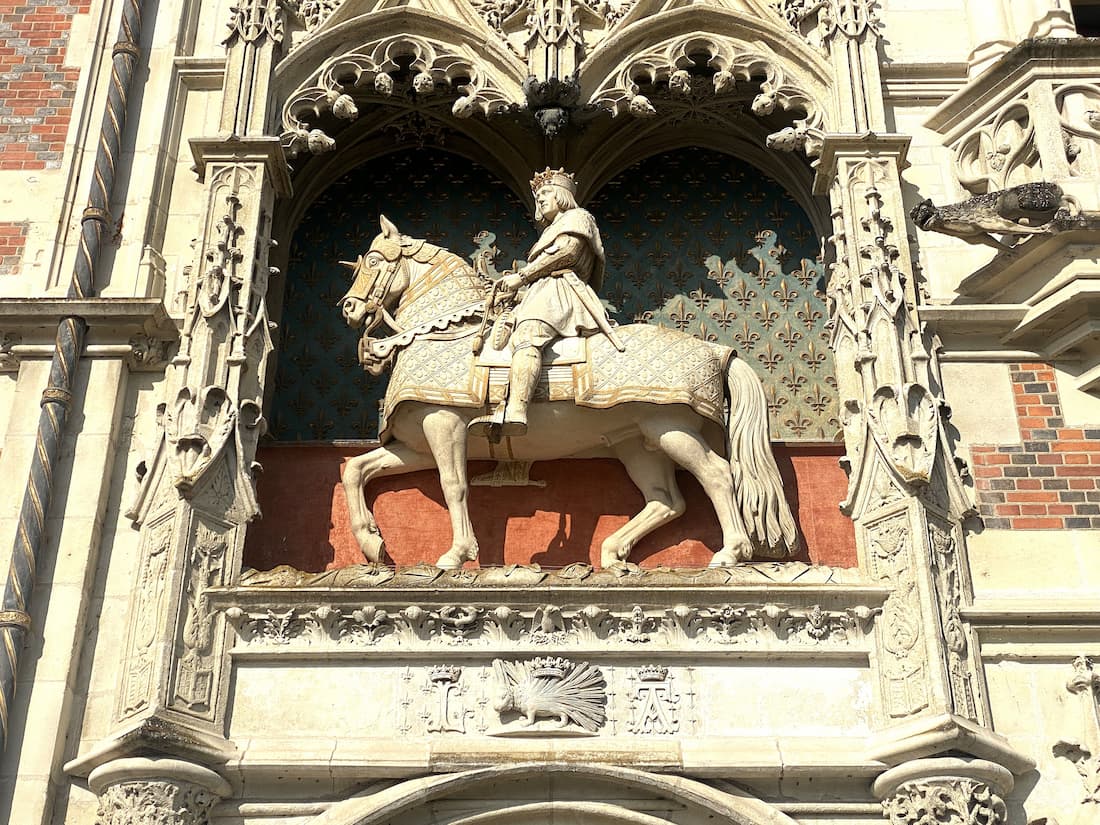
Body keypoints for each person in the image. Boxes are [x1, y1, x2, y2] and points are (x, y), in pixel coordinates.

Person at [469, 168, 622, 438]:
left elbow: (568, 252)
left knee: (528, 335)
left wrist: (522, 276)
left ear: (562, 195)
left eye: (546, 193)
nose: (540, 200)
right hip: (541, 291)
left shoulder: (578, 217)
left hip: (561, 291)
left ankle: (516, 409)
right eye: (537, 196)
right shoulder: (552, 229)